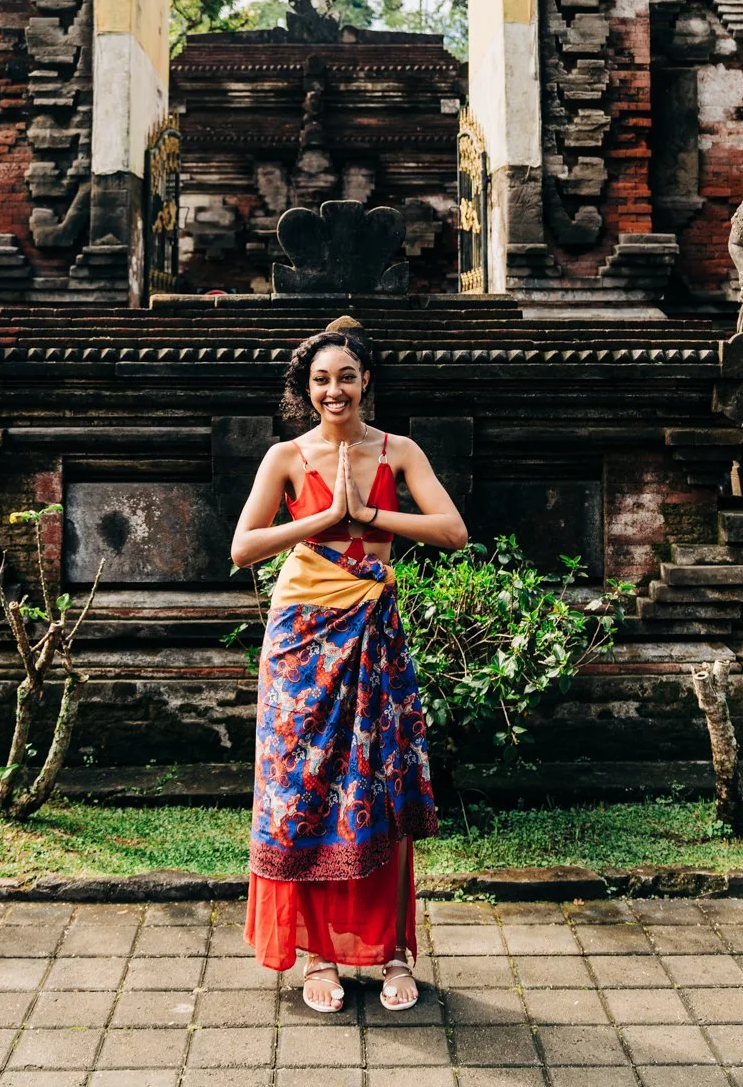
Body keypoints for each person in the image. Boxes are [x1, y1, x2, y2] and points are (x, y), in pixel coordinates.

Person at [230, 318, 468, 1012]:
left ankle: (390, 952)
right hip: (301, 640)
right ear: (306, 390)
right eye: (320, 381)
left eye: (345, 377)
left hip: (371, 634)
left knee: (377, 787)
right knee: (302, 792)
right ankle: (317, 960)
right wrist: (325, 515)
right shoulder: (284, 456)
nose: (334, 390)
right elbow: (244, 547)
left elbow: (453, 531)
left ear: (366, 382)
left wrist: (368, 511)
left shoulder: (399, 452)